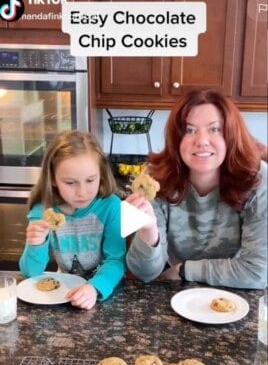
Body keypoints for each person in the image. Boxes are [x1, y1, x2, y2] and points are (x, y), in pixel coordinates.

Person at [126, 88, 267, 289]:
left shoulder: (259, 181)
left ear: (231, 136)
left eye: (214, 129)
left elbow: (256, 272)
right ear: (176, 140)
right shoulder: (155, 181)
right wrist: (148, 232)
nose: (201, 141)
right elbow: (145, 274)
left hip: (235, 289)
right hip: (175, 292)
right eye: (190, 130)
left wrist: (184, 270)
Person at [19, 130, 126, 309]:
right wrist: (35, 245)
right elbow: (31, 273)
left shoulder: (111, 206)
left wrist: (94, 287)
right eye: (70, 183)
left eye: (90, 180)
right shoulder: (43, 209)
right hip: (63, 294)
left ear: (101, 175)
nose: (82, 192)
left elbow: (116, 260)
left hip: (104, 291)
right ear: (53, 179)